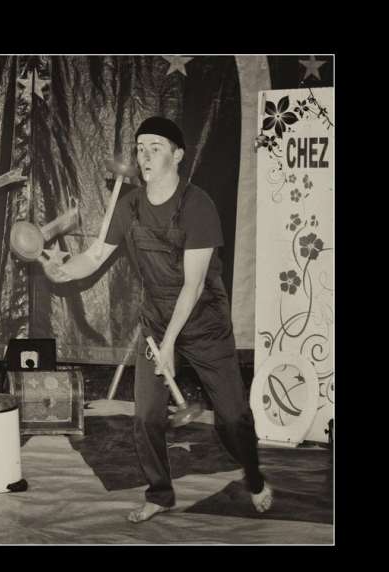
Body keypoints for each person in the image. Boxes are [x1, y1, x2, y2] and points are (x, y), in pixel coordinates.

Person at [41, 116, 273, 523]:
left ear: (178, 155)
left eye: (155, 147)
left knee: (233, 418)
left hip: (204, 321)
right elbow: (94, 256)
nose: (144, 156)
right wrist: (63, 271)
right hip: (157, 321)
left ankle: (254, 478)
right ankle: (160, 494)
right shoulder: (128, 205)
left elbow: (194, 286)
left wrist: (170, 346)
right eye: (140, 147)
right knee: (146, 415)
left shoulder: (198, 206)